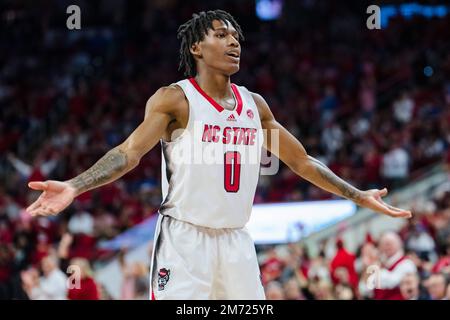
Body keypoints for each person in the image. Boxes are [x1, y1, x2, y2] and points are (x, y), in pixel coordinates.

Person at [26, 10, 411, 300]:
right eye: (221, 34)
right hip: (184, 240)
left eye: (237, 37)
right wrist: (75, 186)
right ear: (196, 47)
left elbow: (302, 161)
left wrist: (357, 195)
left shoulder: (254, 105)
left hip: (237, 241)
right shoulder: (175, 99)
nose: (234, 42)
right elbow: (128, 153)